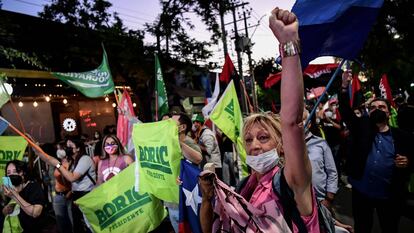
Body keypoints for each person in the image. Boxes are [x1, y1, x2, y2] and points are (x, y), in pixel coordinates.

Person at [199, 8, 319, 232]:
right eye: (248, 139)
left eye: (263, 137)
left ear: (282, 145)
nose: (254, 145)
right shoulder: (243, 188)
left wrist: (289, 44)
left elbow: (292, 122)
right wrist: (207, 198)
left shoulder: (292, 181)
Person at [339, 70, 413, 233]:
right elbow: (345, 110)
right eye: (372, 107)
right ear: (368, 111)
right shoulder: (360, 127)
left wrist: (408, 162)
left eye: (381, 106)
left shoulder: (403, 136)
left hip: (389, 196)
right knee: (363, 227)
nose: (376, 109)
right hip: (361, 193)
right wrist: (344, 87)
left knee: (389, 228)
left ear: (388, 111)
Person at [36, 139, 96, 233]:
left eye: (69, 146)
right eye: (66, 146)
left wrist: (58, 165)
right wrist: (35, 148)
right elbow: (49, 159)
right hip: (76, 196)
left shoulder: (85, 159)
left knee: (90, 226)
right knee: (77, 226)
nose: (66, 148)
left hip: (87, 196)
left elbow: (72, 178)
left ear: (78, 148)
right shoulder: (72, 160)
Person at [165, 112, 203, 232]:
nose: (168, 125)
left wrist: (178, 143)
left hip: (187, 204)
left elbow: (198, 158)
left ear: (182, 127)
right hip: (171, 202)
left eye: (172, 123)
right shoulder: (166, 143)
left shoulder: (189, 143)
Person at [2, 160, 46, 233]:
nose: (11, 175)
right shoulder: (10, 189)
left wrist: (15, 196)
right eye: (8, 173)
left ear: (22, 173)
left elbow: (35, 213)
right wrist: (6, 210)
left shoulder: (33, 187)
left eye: (15, 171)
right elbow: (5, 211)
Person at [53, 141, 74, 233]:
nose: (59, 151)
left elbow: (74, 179)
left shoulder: (72, 164)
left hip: (69, 195)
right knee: (61, 223)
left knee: (72, 222)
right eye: (58, 149)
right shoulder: (58, 163)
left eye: (61, 148)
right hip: (58, 196)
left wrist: (70, 192)